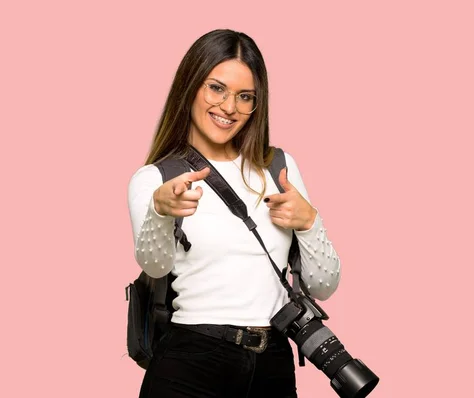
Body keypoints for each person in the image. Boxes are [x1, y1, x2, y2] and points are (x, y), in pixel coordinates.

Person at [127, 29, 341, 398]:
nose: (229, 107)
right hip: (192, 357)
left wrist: (310, 222)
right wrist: (160, 213)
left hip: (273, 361)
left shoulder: (279, 167)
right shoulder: (155, 178)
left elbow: (324, 286)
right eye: (217, 89)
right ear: (190, 86)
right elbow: (156, 267)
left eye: (246, 97)